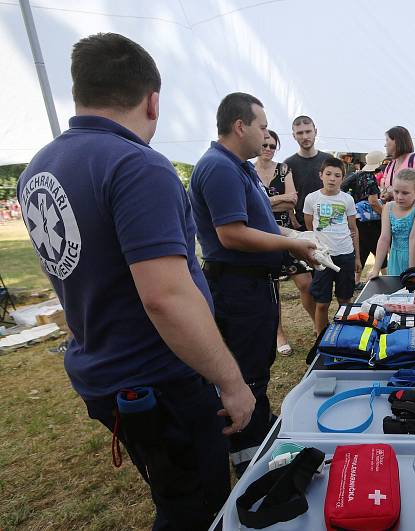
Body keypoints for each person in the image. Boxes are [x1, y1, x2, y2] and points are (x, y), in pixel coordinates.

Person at [16, 33, 255, 529]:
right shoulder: (137, 165)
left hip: (103, 370)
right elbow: (165, 296)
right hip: (159, 377)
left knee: (172, 489)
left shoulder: (39, 166)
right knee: (196, 506)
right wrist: (232, 382)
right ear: (152, 100)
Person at [189, 92, 317, 476]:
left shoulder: (237, 167)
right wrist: (291, 243)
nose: (266, 136)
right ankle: (249, 455)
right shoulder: (219, 168)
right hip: (237, 288)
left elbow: (260, 225)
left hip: (253, 286)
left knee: (256, 366)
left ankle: (260, 433)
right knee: (245, 371)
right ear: (240, 125)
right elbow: (231, 234)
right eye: (261, 126)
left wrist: (298, 240)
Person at [254, 129, 316, 353]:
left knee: (306, 284)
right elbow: (252, 207)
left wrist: (265, 202)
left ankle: (318, 326)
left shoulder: (284, 169)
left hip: (288, 234)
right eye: (264, 145)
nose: (268, 149)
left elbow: (292, 203)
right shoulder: (248, 171)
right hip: (261, 234)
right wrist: (279, 199)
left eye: (272, 146)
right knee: (273, 289)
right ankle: (279, 334)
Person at [303, 157, 360, 333]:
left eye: (337, 175)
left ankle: (346, 334)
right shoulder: (312, 199)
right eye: (328, 174)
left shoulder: (347, 199)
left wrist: (357, 256)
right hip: (323, 258)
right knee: (322, 303)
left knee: (345, 300)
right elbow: (309, 225)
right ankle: (320, 337)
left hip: (345, 255)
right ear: (321, 175)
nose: (332, 178)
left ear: (342, 178)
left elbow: (353, 229)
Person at [368, 169, 415, 278]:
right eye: (396, 191)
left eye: (405, 193)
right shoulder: (388, 208)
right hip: (397, 257)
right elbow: (384, 238)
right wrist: (376, 269)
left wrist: (411, 271)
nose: (399, 197)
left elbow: (414, 237)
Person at [341, 150, 386, 278]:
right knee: (379, 249)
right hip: (371, 221)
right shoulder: (370, 179)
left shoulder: (358, 175)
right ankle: (387, 278)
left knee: (362, 249)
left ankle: (356, 281)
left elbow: (343, 187)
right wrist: (385, 214)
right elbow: (373, 202)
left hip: (358, 218)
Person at [285, 115, 331, 230]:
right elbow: (287, 197)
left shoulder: (329, 160)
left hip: (330, 222)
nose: (305, 136)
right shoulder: (288, 164)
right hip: (302, 224)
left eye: (308, 131)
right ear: (294, 136)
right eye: (300, 133)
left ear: (315, 132)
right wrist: (293, 220)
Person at [382, 125, 415, 199]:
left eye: (387, 140)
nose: (385, 145)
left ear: (396, 141)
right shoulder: (390, 165)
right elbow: (384, 190)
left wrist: (392, 193)